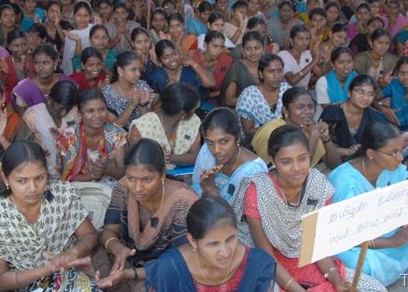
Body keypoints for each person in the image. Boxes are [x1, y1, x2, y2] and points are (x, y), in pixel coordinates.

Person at [232, 125, 386, 292]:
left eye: (302, 159)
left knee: (374, 288)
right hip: (271, 268)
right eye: (286, 162)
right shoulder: (258, 190)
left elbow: (317, 246)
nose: (297, 168)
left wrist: (336, 281)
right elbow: (266, 255)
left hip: (309, 261)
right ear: (274, 160)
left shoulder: (318, 186)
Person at [0, 141, 101, 292]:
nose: (32, 188)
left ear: (47, 174)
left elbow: (90, 235)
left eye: (39, 178)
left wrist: (73, 253)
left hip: (61, 273)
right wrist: (49, 268)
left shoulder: (62, 194)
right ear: (6, 179)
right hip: (13, 283)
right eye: (21, 181)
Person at [328, 122, 408, 286]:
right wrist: (392, 242)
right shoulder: (346, 182)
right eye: (393, 152)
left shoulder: (392, 167)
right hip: (353, 239)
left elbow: (406, 203)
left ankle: (400, 263)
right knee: (361, 264)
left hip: (386, 225)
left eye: (401, 150)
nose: (400, 158)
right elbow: (342, 236)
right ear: (371, 153)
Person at [93, 139, 199, 292]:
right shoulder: (123, 188)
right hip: (131, 258)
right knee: (94, 246)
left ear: (162, 175)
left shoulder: (184, 203)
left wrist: (132, 274)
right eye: (131, 178)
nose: (137, 188)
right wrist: (117, 248)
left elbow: (181, 260)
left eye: (147, 179)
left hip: (164, 268)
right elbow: (109, 230)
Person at [145, 196, 276, 291]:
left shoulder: (258, 265)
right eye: (213, 244)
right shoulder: (168, 270)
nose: (225, 252)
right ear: (192, 241)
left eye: (230, 239)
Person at [252, 87, 341, 170]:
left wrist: (326, 138)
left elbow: (335, 165)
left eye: (310, 107)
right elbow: (300, 171)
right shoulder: (271, 131)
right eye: (300, 107)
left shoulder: (308, 129)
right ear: (285, 110)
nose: (307, 111)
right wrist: (313, 137)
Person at [192, 108, 267, 202]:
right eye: (210, 142)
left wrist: (210, 190)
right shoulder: (206, 151)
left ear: (237, 137)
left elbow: (240, 215)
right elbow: (195, 189)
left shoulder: (253, 172)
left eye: (224, 141)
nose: (216, 150)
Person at [58, 89, 127, 187]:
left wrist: (106, 169)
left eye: (102, 109)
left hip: (108, 187)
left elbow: (123, 172)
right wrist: (92, 175)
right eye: (90, 111)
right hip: (78, 190)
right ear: (79, 113)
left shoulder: (116, 134)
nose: (97, 115)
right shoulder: (67, 138)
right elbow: (64, 177)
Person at [129, 83, 201, 170]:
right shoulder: (141, 128)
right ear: (183, 114)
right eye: (193, 109)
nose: (194, 112)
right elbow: (135, 165)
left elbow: (196, 156)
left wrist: (168, 158)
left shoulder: (193, 122)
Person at [23, 80, 80, 180]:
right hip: (42, 176)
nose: (63, 113)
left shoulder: (74, 114)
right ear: (50, 100)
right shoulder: (33, 116)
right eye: (60, 108)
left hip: (71, 175)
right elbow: (26, 150)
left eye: (68, 109)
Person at [320, 75, 384, 161]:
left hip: (360, 163)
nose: (365, 98)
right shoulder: (332, 112)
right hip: (328, 163)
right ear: (349, 93)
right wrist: (345, 152)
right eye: (361, 92)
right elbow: (319, 146)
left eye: (370, 94)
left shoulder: (372, 116)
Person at [236, 53, 290, 142]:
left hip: (285, 140)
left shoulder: (286, 90)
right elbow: (248, 131)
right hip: (255, 143)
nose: (277, 76)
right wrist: (277, 131)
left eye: (280, 71)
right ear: (261, 74)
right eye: (271, 71)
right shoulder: (249, 96)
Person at [147, 39, 214, 105]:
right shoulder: (156, 77)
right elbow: (154, 108)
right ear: (159, 60)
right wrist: (167, 92)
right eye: (165, 57)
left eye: (174, 54)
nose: (172, 59)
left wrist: (193, 63)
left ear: (180, 53)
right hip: (172, 114)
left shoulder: (189, 68)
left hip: (199, 109)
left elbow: (210, 83)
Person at [12, 44, 73, 116]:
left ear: (55, 62)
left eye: (45, 63)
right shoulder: (23, 89)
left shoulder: (66, 82)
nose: (41, 68)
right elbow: (24, 120)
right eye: (37, 63)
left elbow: (73, 114)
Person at [101, 51, 154, 129]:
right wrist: (132, 105)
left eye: (139, 70)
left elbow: (149, 123)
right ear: (120, 71)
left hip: (141, 133)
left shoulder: (143, 86)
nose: (138, 74)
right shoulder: (107, 92)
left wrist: (143, 105)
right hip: (119, 137)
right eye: (133, 70)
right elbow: (114, 128)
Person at [221, 32, 265, 107]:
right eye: (248, 49)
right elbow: (229, 100)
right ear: (242, 50)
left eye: (257, 48)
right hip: (243, 111)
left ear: (263, 49)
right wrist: (257, 101)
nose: (253, 52)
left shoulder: (268, 65)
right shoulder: (237, 67)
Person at [191, 31, 233, 106]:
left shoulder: (227, 61)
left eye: (221, 47)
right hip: (196, 99)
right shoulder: (194, 61)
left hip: (219, 98)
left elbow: (229, 86)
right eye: (215, 46)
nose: (218, 51)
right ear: (205, 45)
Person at [0, 29, 33, 94]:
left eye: (24, 44)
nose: (20, 49)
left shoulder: (34, 60)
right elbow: (0, 88)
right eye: (16, 46)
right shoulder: (3, 63)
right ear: (9, 47)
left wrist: (27, 72)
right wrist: (5, 75)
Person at [62, 2, 95, 75]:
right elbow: (68, 59)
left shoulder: (94, 29)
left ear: (90, 16)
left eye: (85, 15)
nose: (82, 19)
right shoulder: (70, 35)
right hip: (76, 71)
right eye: (79, 15)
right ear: (74, 16)